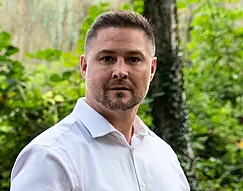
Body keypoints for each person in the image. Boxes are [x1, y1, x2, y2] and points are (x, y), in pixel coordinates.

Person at [10, 10, 190, 191]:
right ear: (85, 67)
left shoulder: (163, 155)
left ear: (151, 69)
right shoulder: (50, 157)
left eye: (133, 59)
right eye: (107, 58)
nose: (120, 71)